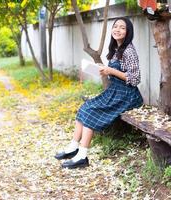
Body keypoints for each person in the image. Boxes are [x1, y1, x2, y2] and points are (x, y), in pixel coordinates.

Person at [55, 17, 144, 169]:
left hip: (128, 96)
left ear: (128, 32)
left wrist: (110, 70)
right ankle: (74, 147)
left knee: (91, 111)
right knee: (85, 107)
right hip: (115, 91)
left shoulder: (129, 51)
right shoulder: (116, 49)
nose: (117, 29)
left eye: (122, 27)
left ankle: (82, 156)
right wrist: (102, 70)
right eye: (115, 26)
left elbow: (135, 79)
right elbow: (116, 74)